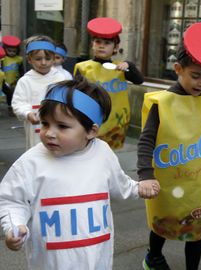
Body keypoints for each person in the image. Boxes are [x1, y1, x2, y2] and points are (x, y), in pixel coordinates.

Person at [0, 77, 160, 269]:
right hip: (51, 263)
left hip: (96, 260)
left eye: (62, 126)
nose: (49, 133)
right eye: (45, 123)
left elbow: (120, 184)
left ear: (91, 131)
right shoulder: (31, 162)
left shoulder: (102, 154)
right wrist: (14, 226)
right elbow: (12, 199)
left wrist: (138, 188)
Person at [137, 22, 201, 270]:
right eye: (195, 75)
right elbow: (147, 139)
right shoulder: (163, 103)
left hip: (196, 182)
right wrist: (145, 175)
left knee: (195, 229)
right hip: (165, 180)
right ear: (178, 69)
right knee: (162, 223)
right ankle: (153, 257)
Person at [74, 17, 144, 150]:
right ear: (92, 44)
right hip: (91, 117)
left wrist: (129, 65)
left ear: (116, 47)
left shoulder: (121, 67)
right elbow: (76, 94)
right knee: (89, 152)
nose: (101, 45)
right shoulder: (82, 67)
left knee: (110, 154)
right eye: (98, 42)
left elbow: (139, 80)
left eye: (107, 43)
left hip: (116, 121)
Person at [11, 35, 69, 149]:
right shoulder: (25, 81)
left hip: (58, 125)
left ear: (53, 58)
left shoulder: (61, 79)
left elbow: (68, 99)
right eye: (38, 59)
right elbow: (18, 103)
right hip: (35, 128)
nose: (43, 63)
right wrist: (27, 113)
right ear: (29, 59)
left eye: (47, 59)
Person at [1, 35, 24, 116]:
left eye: (14, 51)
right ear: (5, 49)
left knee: (12, 94)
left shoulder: (19, 59)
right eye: (9, 51)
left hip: (14, 80)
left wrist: (21, 78)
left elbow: (21, 70)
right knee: (8, 93)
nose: (12, 53)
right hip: (4, 80)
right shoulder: (3, 58)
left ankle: (11, 108)